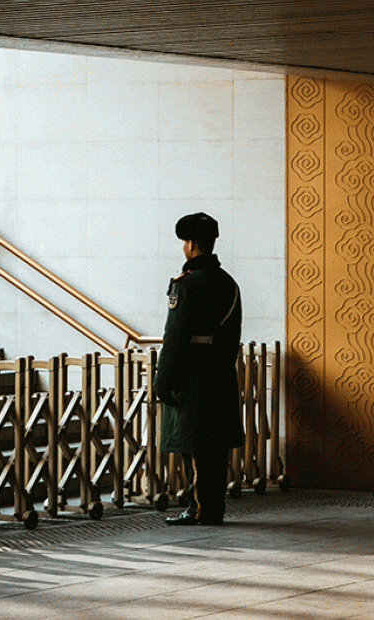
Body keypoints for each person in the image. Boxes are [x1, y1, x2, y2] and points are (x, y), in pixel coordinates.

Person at [155, 212, 243, 526]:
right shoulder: (228, 283)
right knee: (214, 446)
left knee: (193, 446)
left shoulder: (187, 284)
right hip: (219, 373)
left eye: (184, 242)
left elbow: (174, 337)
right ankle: (212, 508)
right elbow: (233, 336)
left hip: (190, 377)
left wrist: (162, 380)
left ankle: (199, 509)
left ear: (191, 244)